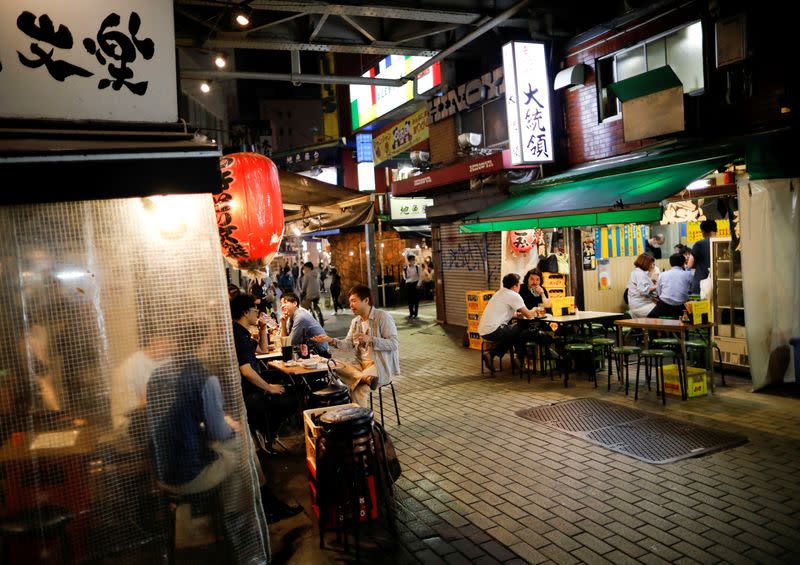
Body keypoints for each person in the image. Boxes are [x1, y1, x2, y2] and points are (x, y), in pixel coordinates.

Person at [311, 285, 399, 407]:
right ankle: (364, 378)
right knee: (334, 364)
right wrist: (330, 340)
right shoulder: (356, 322)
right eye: (350, 302)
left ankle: (362, 423)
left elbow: (393, 344)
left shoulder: (382, 317)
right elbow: (348, 344)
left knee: (359, 389)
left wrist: (372, 339)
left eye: (354, 301)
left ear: (366, 300)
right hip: (360, 365)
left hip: (378, 365)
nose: (351, 305)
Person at [230, 294, 295, 454]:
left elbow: (263, 350)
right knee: (291, 398)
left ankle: (266, 434)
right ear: (245, 312)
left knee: (287, 381)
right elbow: (246, 371)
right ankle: (266, 435)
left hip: (251, 386)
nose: (257, 313)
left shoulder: (242, 332)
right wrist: (269, 388)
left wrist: (263, 329)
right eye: (254, 310)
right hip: (248, 392)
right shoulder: (239, 336)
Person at [110, 330, 178, 451]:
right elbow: (127, 407)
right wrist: (156, 398)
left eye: (173, 344)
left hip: (158, 417)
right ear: (155, 341)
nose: (172, 348)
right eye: (168, 343)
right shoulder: (130, 366)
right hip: (129, 422)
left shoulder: (168, 362)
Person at [476, 273, 537, 366]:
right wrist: (536, 309)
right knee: (520, 328)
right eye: (519, 284)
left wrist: (517, 315)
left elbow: (503, 312)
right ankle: (515, 357)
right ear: (515, 286)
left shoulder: (500, 292)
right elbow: (529, 315)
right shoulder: (513, 295)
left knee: (515, 333)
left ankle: (517, 359)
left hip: (483, 330)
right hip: (493, 330)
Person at [279, 292, 329, 357]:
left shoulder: (300, 317)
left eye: (285, 302)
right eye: (281, 303)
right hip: (309, 352)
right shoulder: (292, 317)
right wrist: (283, 324)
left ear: (295, 303)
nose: (282, 306)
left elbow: (289, 343)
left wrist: (286, 342)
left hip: (320, 354)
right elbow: (285, 341)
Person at [649, 252, 694, 319]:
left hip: (664, 306)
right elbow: (691, 290)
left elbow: (659, 292)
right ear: (684, 263)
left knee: (650, 317)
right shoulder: (689, 274)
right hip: (681, 308)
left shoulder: (663, 274)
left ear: (670, 263)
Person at [690, 219, 717, 295]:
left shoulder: (699, 244)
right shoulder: (723, 243)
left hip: (701, 284)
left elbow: (690, 264)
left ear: (703, 231)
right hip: (719, 284)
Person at [627, 253, 658, 318]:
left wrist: (651, 282)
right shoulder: (640, 274)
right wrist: (657, 286)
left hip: (636, 305)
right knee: (663, 311)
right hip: (641, 306)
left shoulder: (636, 272)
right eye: (651, 264)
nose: (652, 266)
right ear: (646, 263)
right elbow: (643, 291)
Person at [300, 261, 324, 327]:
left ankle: (308, 323)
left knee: (303, 308)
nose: (304, 270)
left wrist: (302, 292)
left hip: (310, 294)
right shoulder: (317, 274)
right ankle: (320, 317)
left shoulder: (307, 275)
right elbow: (321, 283)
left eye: (305, 268)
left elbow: (304, 286)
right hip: (317, 294)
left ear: (309, 268)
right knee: (315, 306)